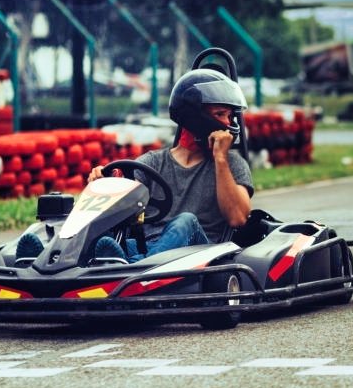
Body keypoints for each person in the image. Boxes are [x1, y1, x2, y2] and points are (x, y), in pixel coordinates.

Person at [16, 67, 253, 263]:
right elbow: (121, 202)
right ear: (194, 117)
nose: (229, 124)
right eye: (222, 114)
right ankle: (44, 260)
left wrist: (220, 158)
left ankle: (127, 269)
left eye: (230, 117)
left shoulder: (232, 163)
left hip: (200, 255)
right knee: (104, 231)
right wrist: (102, 186)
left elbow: (238, 219)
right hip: (145, 251)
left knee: (185, 221)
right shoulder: (152, 162)